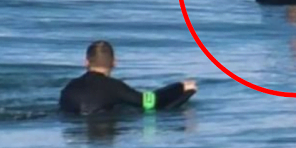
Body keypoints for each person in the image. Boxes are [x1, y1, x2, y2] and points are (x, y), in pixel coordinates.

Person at [59, 40, 197, 115]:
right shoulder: (114, 87)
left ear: (86, 62)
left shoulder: (69, 87)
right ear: (114, 63)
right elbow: (149, 101)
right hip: (102, 120)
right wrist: (181, 87)